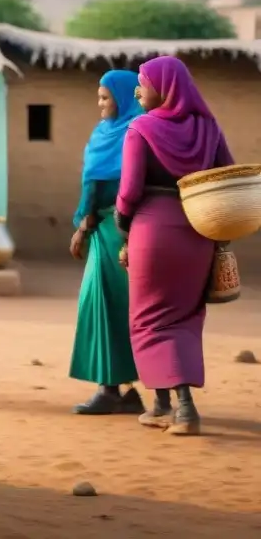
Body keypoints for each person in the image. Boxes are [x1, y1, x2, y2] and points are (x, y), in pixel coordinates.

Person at [116, 55, 234, 436]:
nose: (139, 90)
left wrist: (122, 223)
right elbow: (228, 174)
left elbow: (130, 190)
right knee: (184, 317)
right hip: (198, 229)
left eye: (144, 83)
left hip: (153, 228)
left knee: (149, 318)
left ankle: (183, 407)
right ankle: (163, 404)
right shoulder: (208, 128)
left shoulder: (141, 128)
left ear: (163, 88)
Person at [68, 70, 144, 415]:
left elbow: (98, 189)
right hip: (118, 230)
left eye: (105, 97)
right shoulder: (108, 133)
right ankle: (128, 391)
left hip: (115, 231)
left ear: (123, 97)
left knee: (104, 306)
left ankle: (109, 390)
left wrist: (83, 228)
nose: (99, 104)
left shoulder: (135, 132)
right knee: (122, 306)